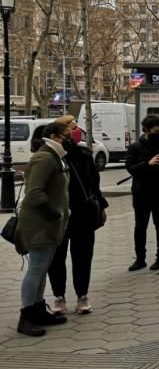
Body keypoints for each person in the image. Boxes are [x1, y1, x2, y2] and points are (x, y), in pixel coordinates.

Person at [14, 121, 72, 336]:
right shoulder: (44, 157)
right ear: (55, 136)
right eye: (66, 135)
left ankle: (38, 309)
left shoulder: (55, 157)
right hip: (39, 224)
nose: (69, 138)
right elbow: (35, 192)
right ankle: (26, 316)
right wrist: (54, 213)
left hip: (49, 223)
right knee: (37, 269)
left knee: (42, 268)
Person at [48, 115, 108, 315]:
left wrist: (101, 206)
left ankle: (82, 295)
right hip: (57, 214)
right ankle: (59, 296)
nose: (73, 132)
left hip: (83, 212)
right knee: (57, 257)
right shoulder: (50, 156)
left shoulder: (83, 154)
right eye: (69, 129)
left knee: (83, 255)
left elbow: (94, 184)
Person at [126, 114, 159, 272]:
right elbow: (131, 169)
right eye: (155, 131)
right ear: (146, 130)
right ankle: (140, 259)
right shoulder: (135, 148)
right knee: (140, 226)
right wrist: (147, 164)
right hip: (141, 193)